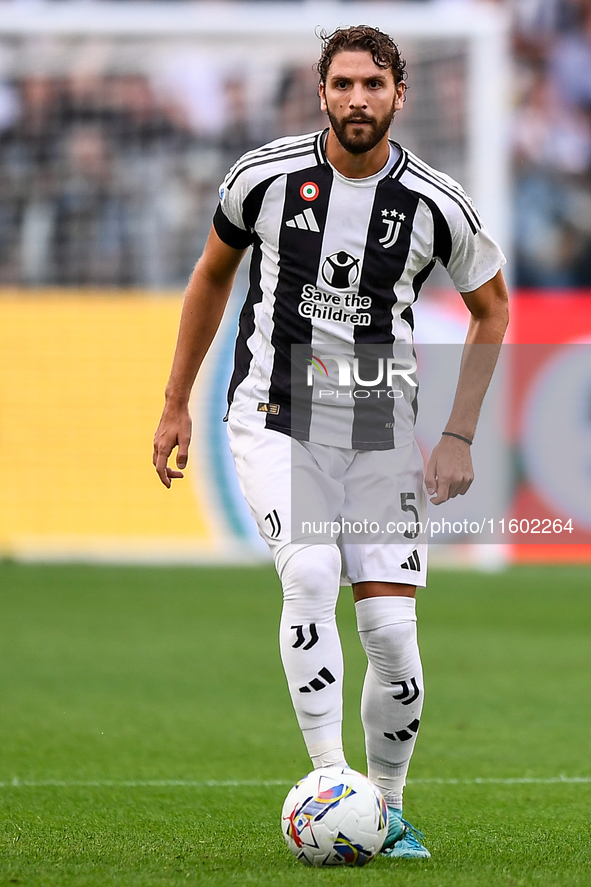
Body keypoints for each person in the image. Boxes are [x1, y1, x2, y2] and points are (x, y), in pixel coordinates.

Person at [153, 25, 509, 859]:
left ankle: (381, 811)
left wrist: (456, 434)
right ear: (321, 92)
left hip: (379, 422)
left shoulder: (435, 203)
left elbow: (493, 308)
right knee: (310, 571)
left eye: (373, 85)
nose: (357, 99)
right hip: (274, 411)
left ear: (398, 95)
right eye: (343, 84)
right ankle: (328, 786)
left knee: (392, 640)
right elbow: (210, 276)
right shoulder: (262, 178)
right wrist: (174, 404)